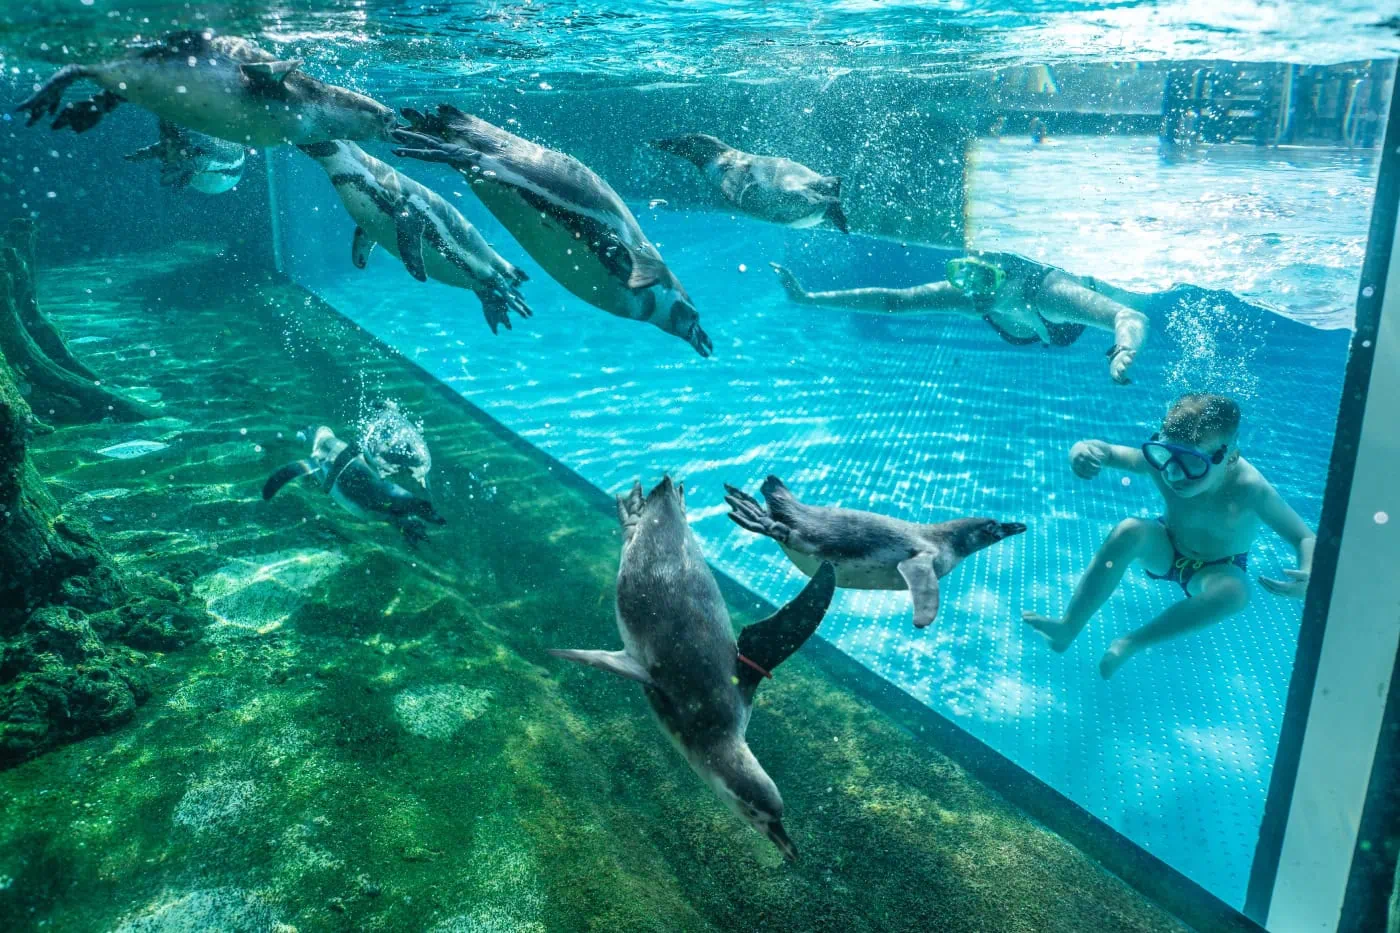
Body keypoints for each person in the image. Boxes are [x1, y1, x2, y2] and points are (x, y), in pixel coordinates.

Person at [1021, 393, 1315, 679]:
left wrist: (1311, 572)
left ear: (1230, 458)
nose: (1173, 474)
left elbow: (1303, 537)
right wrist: (1082, 451)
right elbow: (1107, 451)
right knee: (1129, 530)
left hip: (1218, 567)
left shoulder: (1251, 489)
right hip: (1166, 545)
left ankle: (1132, 642)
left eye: (1194, 463)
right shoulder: (1165, 463)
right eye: (1165, 456)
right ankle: (1068, 627)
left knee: (1236, 593)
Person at [770, 251, 1149, 385]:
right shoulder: (974, 294)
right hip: (1038, 323)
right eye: (964, 273)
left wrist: (1123, 347)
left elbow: (1127, 314)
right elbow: (895, 301)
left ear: (1012, 274)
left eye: (983, 279)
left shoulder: (1049, 295)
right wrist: (808, 298)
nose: (972, 290)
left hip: (1087, 294)